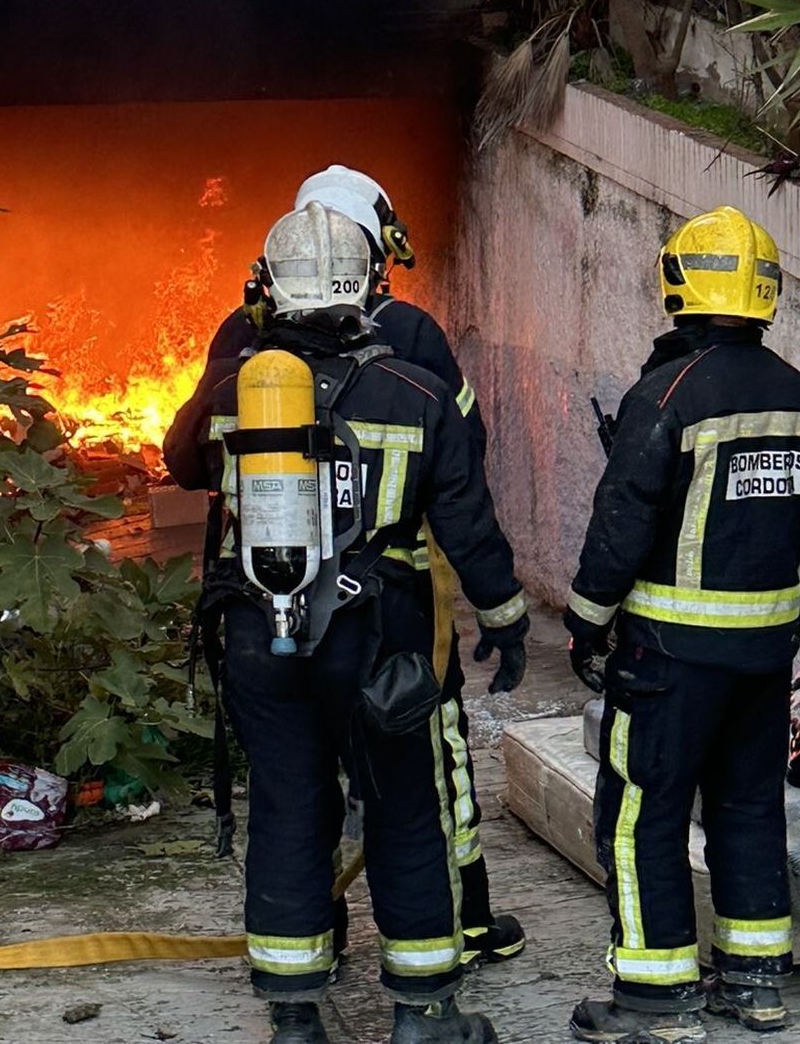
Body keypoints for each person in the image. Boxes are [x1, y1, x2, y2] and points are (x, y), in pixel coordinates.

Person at [164, 198, 531, 1044]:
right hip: (382, 638)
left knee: (289, 806)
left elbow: (180, 462)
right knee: (406, 808)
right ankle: (424, 1013)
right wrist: (507, 625)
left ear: (268, 289)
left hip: (262, 634)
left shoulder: (235, 389)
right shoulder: (418, 392)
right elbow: (470, 527)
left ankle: (295, 1020)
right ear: (370, 286)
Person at [564, 206, 800, 1042]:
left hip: (666, 658)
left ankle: (655, 993)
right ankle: (756, 983)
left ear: (678, 287)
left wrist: (585, 623)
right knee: (749, 804)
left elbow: (621, 525)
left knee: (642, 811)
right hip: (762, 658)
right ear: (763, 293)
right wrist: (792, 618)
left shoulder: (666, 395)